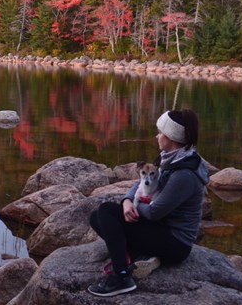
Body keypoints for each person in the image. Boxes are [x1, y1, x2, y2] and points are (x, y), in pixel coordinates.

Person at [87, 108, 209, 297]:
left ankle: (121, 278)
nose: (156, 136)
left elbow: (154, 212)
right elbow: (141, 183)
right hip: (160, 228)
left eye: (160, 133)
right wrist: (127, 200)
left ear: (171, 137)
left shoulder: (185, 174)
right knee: (97, 217)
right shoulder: (172, 158)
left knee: (106, 212)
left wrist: (132, 207)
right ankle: (144, 255)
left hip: (175, 242)